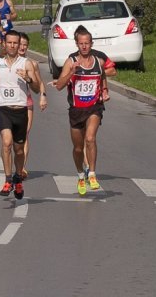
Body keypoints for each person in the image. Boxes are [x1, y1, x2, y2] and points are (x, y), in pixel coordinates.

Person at [51, 25, 108, 195]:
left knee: (90, 138)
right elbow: (59, 86)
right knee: (77, 148)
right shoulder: (71, 62)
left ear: (91, 44)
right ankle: (80, 175)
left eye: (87, 43)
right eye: (81, 43)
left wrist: (104, 91)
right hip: (76, 110)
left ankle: (92, 174)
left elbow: (103, 77)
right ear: (76, 44)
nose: (84, 46)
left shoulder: (99, 62)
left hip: (94, 108)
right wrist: (71, 73)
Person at [0, 31, 43, 199]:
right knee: (6, 143)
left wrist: (29, 79)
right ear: (4, 44)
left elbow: (35, 88)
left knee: (19, 151)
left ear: (19, 45)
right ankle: (7, 179)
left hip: (20, 110)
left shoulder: (26, 64)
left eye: (15, 43)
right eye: (9, 42)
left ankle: (18, 177)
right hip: (3, 108)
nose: (12, 46)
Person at [18, 33, 47, 180]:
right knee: (11, 138)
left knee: (24, 134)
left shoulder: (32, 63)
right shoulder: (6, 62)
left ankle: (21, 167)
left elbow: (40, 83)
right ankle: (16, 162)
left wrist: (42, 96)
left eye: (25, 45)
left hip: (26, 101)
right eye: (20, 44)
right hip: (10, 104)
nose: (22, 47)